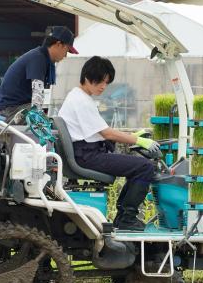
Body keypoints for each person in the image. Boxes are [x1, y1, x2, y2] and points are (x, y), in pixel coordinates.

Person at [58, 56, 161, 231]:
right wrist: (139, 140)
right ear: (87, 77)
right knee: (145, 167)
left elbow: (101, 130)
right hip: (88, 156)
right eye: (100, 81)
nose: (103, 86)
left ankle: (123, 217)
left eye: (106, 82)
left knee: (138, 166)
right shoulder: (82, 101)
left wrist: (132, 136)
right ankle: (127, 219)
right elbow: (106, 132)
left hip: (86, 152)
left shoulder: (78, 96)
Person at [0, 26, 78, 123]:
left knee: (49, 121)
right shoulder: (38, 59)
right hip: (11, 111)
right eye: (67, 50)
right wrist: (40, 120)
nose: (65, 56)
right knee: (49, 125)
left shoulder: (40, 56)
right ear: (59, 44)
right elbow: (37, 95)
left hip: (14, 108)